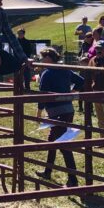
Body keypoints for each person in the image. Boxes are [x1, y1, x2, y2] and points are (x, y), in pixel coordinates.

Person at [36, 47, 83, 187]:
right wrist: (70, 93)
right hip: (67, 110)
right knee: (52, 141)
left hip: (57, 112)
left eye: (42, 58)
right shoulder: (65, 69)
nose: (41, 60)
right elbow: (81, 81)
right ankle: (47, 171)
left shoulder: (47, 73)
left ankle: (73, 179)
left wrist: (39, 112)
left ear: (49, 58)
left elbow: (43, 94)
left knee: (63, 145)